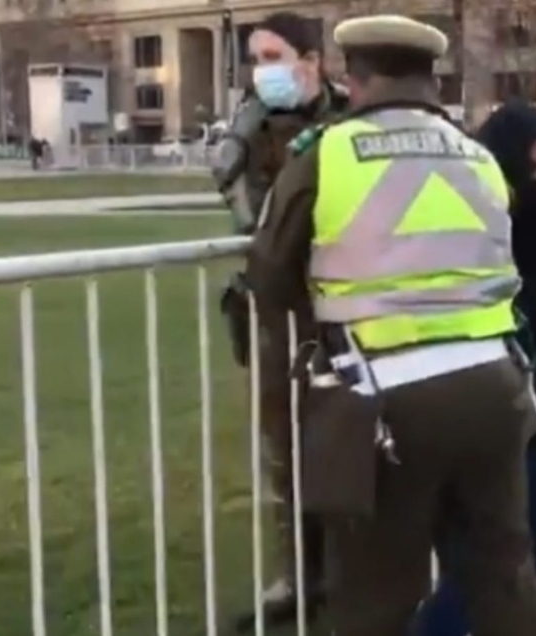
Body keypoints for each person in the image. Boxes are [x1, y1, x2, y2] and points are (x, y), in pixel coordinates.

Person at [247, 14, 536, 636]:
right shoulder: (479, 155)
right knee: (504, 579)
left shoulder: (328, 152)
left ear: (351, 78)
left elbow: (271, 277)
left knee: (374, 598)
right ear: (429, 79)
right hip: (496, 386)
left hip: (387, 401)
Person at [412, 101, 536, 636]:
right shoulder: (473, 223)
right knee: (493, 551)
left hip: (526, 402)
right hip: (482, 399)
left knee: (524, 533)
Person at [212, 10, 349, 633]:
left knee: (349, 444)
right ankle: (299, 576)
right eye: (255, 60)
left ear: (312, 61)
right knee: (284, 452)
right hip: (276, 309)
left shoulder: (349, 116)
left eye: (271, 57)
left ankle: (349, 575)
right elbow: (232, 189)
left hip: (343, 306)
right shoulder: (254, 123)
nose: (259, 73)